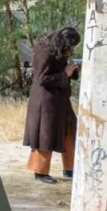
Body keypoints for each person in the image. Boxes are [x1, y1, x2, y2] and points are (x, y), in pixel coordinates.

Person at [23, 27, 81, 184]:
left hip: (60, 99)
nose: (71, 49)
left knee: (70, 130)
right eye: (70, 46)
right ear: (63, 42)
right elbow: (42, 78)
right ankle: (40, 171)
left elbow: (58, 69)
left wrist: (72, 70)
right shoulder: (44, 50)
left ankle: (70, 168)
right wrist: (65, 74)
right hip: (45, 101)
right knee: (45, 134)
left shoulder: (57, 49)